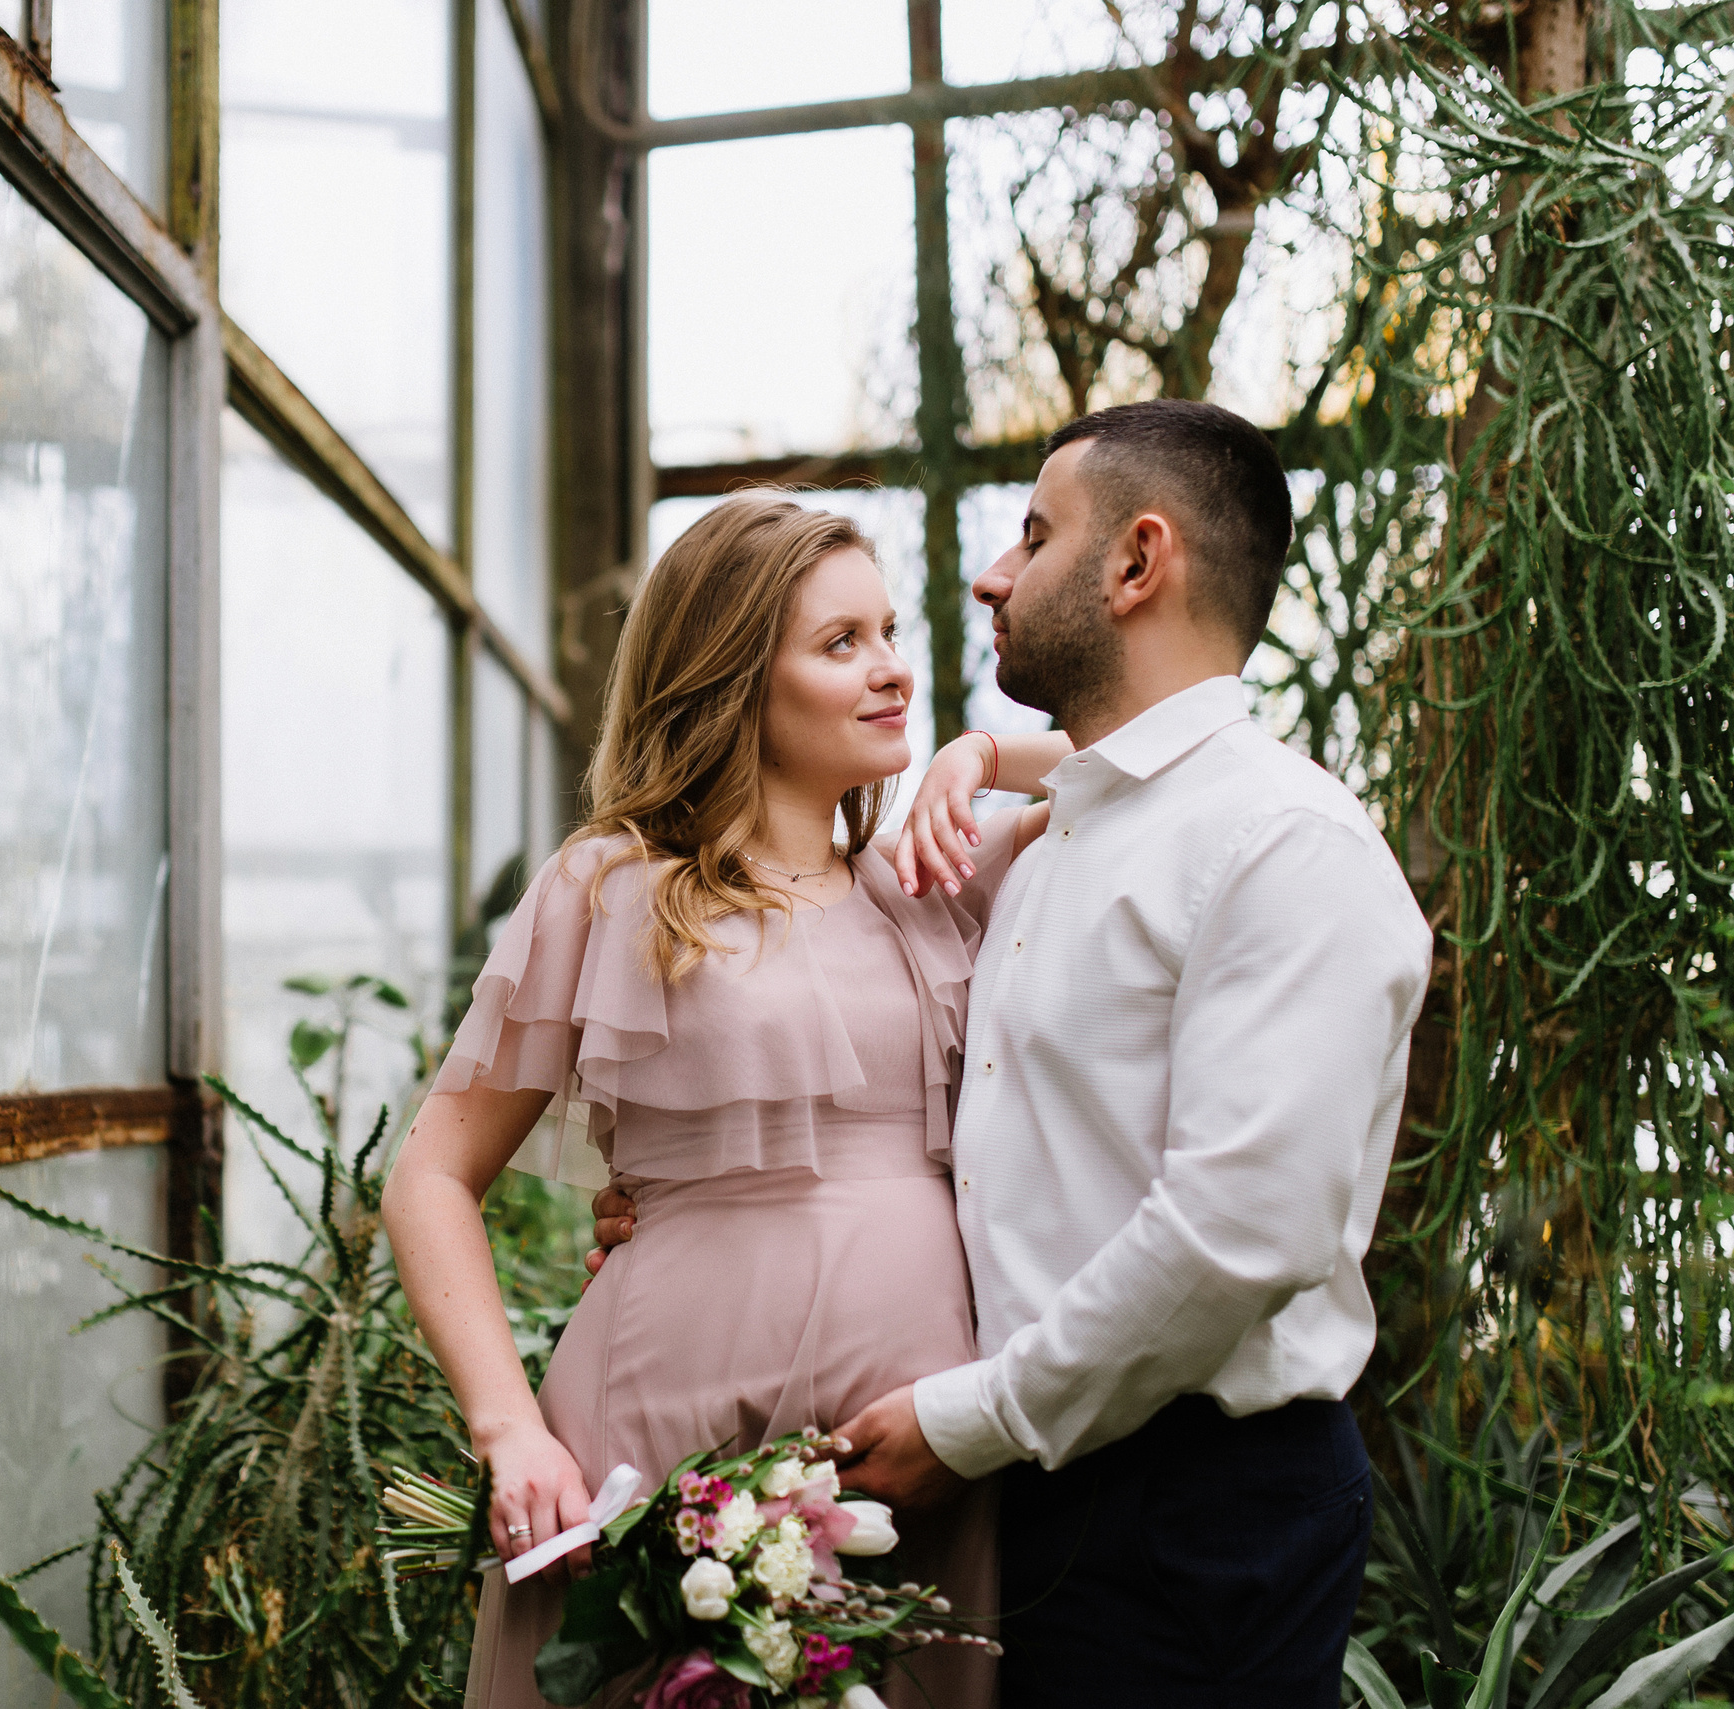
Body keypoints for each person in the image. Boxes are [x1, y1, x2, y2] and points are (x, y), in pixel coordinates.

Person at [589, 400, 1433, 1707]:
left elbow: (1238, 1231)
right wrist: (702, 1209)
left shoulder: (1285, 849)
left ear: (1137, 563)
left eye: (1033, 534)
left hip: (1188, 1508)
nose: (991, 572)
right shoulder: (1062, 838)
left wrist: (969, 1420)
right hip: (1026, 1487)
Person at [381, 490, 1072, 1709]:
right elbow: (431, 1175)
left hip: (907, 1461)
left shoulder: (934, 880)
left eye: (890, 631)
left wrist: (980, 755)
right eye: (840, 642)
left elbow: (1156, 756)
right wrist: (510, 1431)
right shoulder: (610, 888)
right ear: (730, 677)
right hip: (651, 1439)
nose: (893, 671)